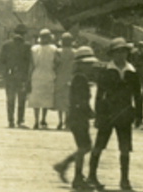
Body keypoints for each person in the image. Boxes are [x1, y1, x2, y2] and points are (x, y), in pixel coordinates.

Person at [87, 37, 143, 190]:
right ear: (112, 54)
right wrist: (99, 114)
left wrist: (139, 115)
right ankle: (91, 175)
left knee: (125, 148)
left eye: (123, 52)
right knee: (99, 145)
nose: (121, 55)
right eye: (117, 52)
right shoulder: (106, 71)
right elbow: (99, 95)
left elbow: (138, 95)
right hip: (107, 113)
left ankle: (124, 179)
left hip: (125, 114)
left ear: (127, 53)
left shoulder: (132, 72)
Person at [52, 46, 98, 190]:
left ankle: (65, 166)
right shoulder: (80, 78)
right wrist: (89, 112)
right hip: (78, 117)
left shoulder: (78, 77)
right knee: (84, 147)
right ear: (81, 65)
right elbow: (80, 101)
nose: (90, 67)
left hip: (76, 116)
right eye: (87, 64)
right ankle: (76, 177)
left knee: (83, 147)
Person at [0, 24, 32, 128]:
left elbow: (1, 61)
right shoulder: (27, 46)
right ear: (24, 34)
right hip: (22, 76)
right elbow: (29, 63)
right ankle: (20, 120)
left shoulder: (6, 45)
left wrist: (5, 73)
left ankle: (10, 120)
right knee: (21, 99)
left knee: (10, 99)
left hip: (10, 75)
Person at [28, 29, 57, 129]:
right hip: (48, 74)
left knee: (36, 98)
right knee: (46, 98)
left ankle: (36, 121)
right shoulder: (53, 49)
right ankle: (43, 119)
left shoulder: (34, 49)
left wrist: (29, 76)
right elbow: (56, 63)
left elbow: (31, 65)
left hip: (36, 74)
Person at [53, 33, 77, 130]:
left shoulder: (58, 51)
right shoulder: (75, 52)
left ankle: (60, 121)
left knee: (60, 100)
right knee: (68, 100)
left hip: (60, 77)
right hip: (70, 77)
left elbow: (55, 65)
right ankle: (67, 121)